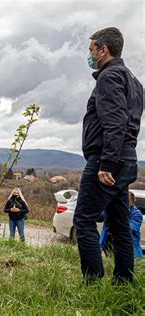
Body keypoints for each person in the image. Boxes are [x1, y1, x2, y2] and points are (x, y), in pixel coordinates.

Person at [73, 27, 143, 284]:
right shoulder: (134, 81)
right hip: (127, 158)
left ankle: (92, 281)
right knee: (119, 222)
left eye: (91, 49)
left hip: (108, 159)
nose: (90, 54)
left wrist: (107, 163)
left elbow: (115, 122)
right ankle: (124, 280)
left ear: (104, 49)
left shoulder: (110, 76)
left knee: (84, 219)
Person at [100, 191, 143, 260]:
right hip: (109, 249)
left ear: (132, 201)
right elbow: (98, 217)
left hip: (129, 252)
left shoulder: (136, 214)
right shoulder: (112, 210)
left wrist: (116, 218)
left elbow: (132, 228)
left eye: (125, 200)